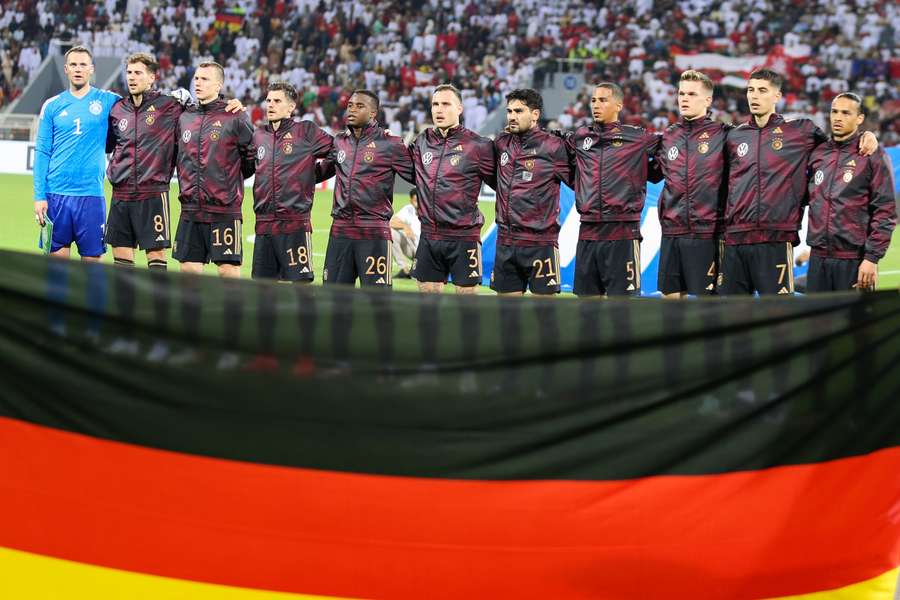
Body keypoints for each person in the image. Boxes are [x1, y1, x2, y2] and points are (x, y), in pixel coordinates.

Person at [721, 68, 877, 295]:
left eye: (762, 90)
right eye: (751, 90)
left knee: (779, 317)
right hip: (735, 238)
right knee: (730, 315)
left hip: (776, 237)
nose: (754, 96)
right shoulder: (734, 136)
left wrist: (866, 135)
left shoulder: (799, 131)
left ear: (777, 96)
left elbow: (836, 150)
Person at [566, 82, 662, 297]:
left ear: (618, 105)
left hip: (623, 233)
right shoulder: (580, 138)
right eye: (593, 100)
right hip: (588, 233)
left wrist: (646, 173)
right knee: (586, 308)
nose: (596, 105)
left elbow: (669, 154)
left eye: (603, 100)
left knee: (622, 309)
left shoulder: (637, 137)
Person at [316, 89, 414, 287]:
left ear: (373, 113)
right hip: (340, 231)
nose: (352, 110)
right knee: (333, 299)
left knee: (376, 304)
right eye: (350, 105)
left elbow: (419, 176)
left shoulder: (390, 144)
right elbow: (316, 174)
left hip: (373, 231)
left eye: (359, 106)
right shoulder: (339, 142)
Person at [33, 45, 120, 261]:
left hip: (91, 195)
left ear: (92, 69)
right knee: (57, 272)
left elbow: (138, 105)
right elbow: (42, 152)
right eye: (73, 64)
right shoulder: (52, 105)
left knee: (92, 270)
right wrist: (39, 196)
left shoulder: (108, 101)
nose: (78, 69)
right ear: (66, 69)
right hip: (56, 196)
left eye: (83, 64)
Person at [805, 92, 896, 292]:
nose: (838, 117)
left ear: (859, 118)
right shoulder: (818, 153)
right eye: (834, 111)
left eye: (846, 113)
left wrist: (871, 258)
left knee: (855, 323)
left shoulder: (872, 155)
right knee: (817, 323)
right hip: (818, 258)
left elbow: (885, 211)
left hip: (853, 260)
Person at [173, 61, 256, 278]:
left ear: (218, 85)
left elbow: (251, 157)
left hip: (224, 210)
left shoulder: (234, 116)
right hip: (190, 208)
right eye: (197, 78)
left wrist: (228, 179)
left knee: (228, 271)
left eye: (205, 79)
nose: (198, 83)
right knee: (188, 272)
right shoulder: (185, 117)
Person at [410, 84, 495, 295]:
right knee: (427, 303)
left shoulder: (478, 145)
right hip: (429, 235)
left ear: (459, 109)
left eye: (446, 104)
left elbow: (502, 184)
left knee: (466, 304)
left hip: (463, 236)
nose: (439, 109)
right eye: (435, 104)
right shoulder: (422, 141)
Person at [655, 70, 729, 298]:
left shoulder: (724, 135)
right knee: (670, 302)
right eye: (681, 93)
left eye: (692, 94)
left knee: (707, 307)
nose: (684, 98)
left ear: (707, 100)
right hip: (672, 231)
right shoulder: (668, 136)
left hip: (707, 233)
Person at [491, 88, 571, 296]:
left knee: (544, 318)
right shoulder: (501, 143)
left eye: (519, 111)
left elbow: (579, 182)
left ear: (535, 115)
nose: (512, 117)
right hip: (506, 242)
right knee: (507, 317)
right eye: (509, 111)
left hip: (540, 243)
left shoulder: (553, 146)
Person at [251, 81, 333, 282]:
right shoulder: (259, 135)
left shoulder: (306, 131)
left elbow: (339, 152)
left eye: (277, 101)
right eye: (268, 100)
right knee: (261, 288)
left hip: (294, 223)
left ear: (291, 107)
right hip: (264, 224)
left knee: (300, 285)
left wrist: (313, 175)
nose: (270, 105)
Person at [390, 187, 420, 279]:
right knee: (391, 232)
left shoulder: (430, 210)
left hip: (429, 251)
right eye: (416, 200)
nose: (418, 203)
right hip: (414, 249)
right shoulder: (408, 209)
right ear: (411, 200)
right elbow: (391, 222)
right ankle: (404, 269)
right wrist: (405, 226)